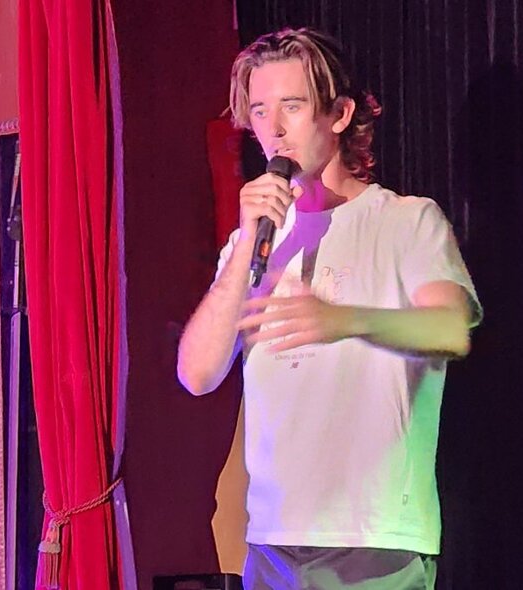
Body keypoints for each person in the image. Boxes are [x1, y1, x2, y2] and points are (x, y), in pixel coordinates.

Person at [178, 27, 481, 590]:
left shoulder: (405, 220)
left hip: (372, 539)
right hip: (272, 540)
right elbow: (197, 373)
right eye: (262, 111)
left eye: (291, 106)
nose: (274, 129)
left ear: (338, 114)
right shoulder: (258, 241)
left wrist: (345, 320)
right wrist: (246, 243)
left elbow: (452, 328)